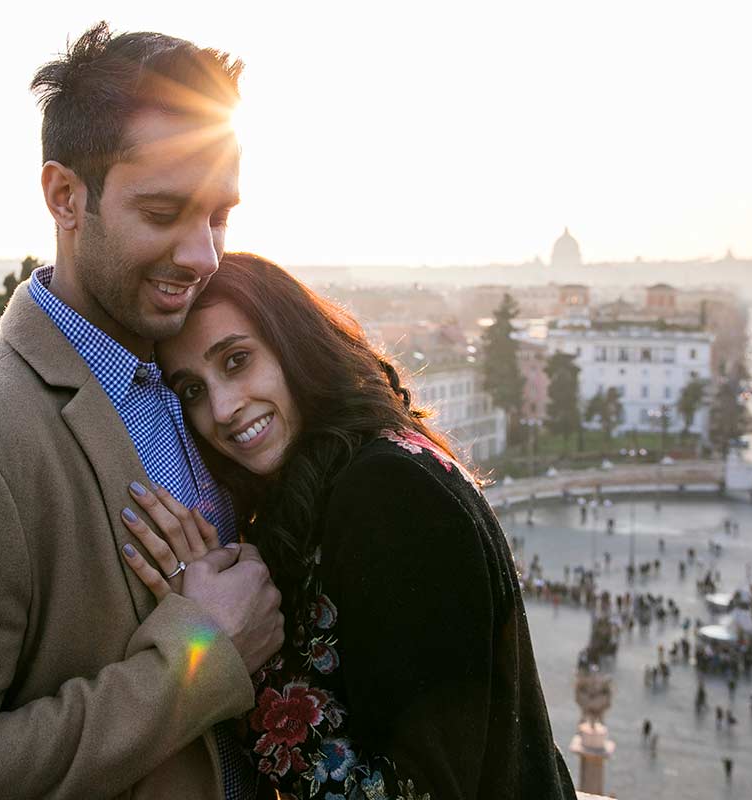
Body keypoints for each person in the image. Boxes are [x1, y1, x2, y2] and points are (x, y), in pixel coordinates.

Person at [0, 24, 285, 799]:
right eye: (163, 213)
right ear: (64, 196)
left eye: (219, 216)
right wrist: (205, 652)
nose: (203, 257)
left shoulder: (198, 378)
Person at [118, 254, 577, 798]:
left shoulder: (389, 494)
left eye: (237, 361)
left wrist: (231, 647)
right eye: (191, 389)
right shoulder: (337, 480)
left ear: (295, 345)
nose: (221, 408)